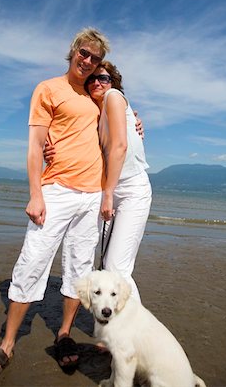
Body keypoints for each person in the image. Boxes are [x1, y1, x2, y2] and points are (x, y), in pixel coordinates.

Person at [0, 28, 111, 386]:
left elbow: (117, 131)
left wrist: (135, 121)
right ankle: (7, 344)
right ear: (72, 52)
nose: (88, 62)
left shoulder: (99, 96)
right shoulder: (48, 89)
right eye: (84, 53)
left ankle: (64, 332)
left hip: (92, 195)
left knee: (78, 269)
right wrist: (36, 193)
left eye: (95, 58)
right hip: (57, 191)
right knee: (33, 261)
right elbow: (36, 145)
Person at [46, 61, 152, 301]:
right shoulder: (94, 113)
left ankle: (133, 328)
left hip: (130, 189)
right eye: (91, 79)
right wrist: (47, 147)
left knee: (117, 267)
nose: (96, 82)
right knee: (105, 262)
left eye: (103, 78)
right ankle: (114, 330)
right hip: (108, 189)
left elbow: (120, 146)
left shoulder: (114, 97)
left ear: (112, 83)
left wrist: (107, 194)